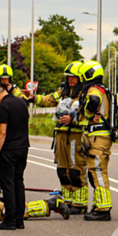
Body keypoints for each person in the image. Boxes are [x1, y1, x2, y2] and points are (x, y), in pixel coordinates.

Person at [32, 61, 86, 212]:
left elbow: (87, 113)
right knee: (62, 170)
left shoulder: (85, 94)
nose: (71, 80)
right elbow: (48, 100)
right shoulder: (63, 91)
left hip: (76, 135)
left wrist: (73, 119)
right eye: (69, 77)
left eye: (74, 77)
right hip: (61, 135)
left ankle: (80, 203)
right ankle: (68, 201)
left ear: (80, 78)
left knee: (76, 170)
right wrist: (33, 98)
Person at [0, 82, 31, 230]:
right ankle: (20, 220)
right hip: (23, 147)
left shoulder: (4, 106)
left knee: (8, 184)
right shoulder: (21, 102)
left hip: (9, 149)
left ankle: (10, 220)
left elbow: (1, 132)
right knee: (19, 182)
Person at [76, 60, 114, 221]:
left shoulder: (95, 89)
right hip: (102, 136)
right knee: (97, 171)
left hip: (98, 136)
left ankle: (103, 208)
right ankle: (99, 204)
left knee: (97, 171)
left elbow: (93, 101)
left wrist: (89, 114)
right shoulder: (104, 89)